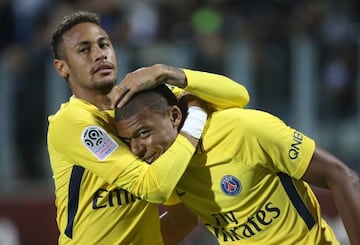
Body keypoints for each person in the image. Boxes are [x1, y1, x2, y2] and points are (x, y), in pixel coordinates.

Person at [47, 10, 250, 244]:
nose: (99, 55)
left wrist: (165, 72)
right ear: (62, 68)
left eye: (104, 45)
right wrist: (196, 114)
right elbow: (152, 187)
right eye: (84, 49)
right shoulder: (71, 123)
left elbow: (238, 96)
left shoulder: (140, 103)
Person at [114, 84, 360, 245]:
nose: (137, 149)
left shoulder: (245, 130)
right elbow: (182, 219)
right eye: (129, 141)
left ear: (175, 116)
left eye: (144, 133)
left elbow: (341, 177)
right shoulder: (169, 168)